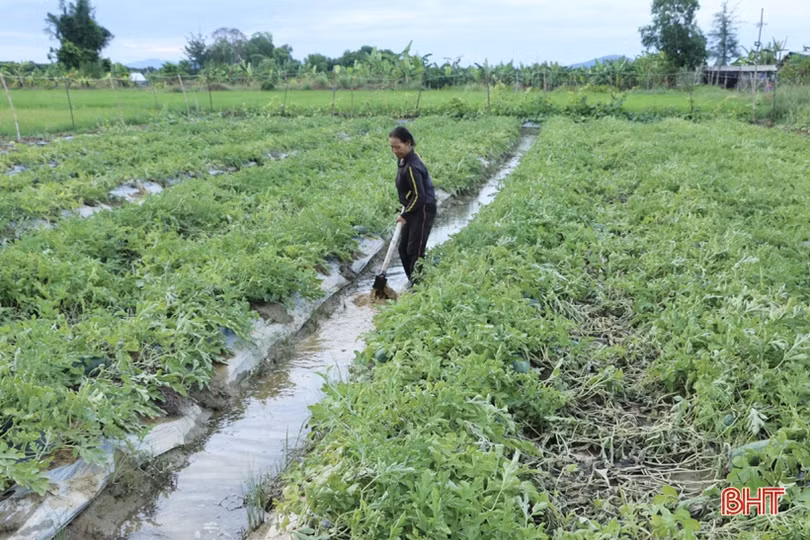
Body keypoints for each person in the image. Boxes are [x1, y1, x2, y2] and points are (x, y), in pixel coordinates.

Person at [389, 126, 437, 286]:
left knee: (414, 251)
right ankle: (414, 281)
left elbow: (419, 196)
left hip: (422, 210)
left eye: (398, 147)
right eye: (392, 147)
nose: (395, 151)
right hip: (412, 209)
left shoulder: (412, 166)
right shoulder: (404, 160)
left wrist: (405, 214)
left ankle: (419, 286)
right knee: (403, 249)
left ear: (408, 143)